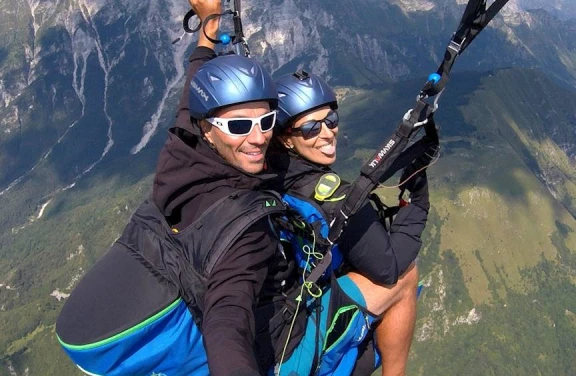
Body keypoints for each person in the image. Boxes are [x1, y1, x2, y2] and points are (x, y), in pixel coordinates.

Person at [268, 70, 433, 376]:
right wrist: (417, 206)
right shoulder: (336, 199)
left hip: (278, 314)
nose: (327, 133)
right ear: (286, 139)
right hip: (295, 342)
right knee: (406, 276)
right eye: (310, 128)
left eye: (330, 120)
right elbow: (389, 267)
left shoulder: (267, 174)